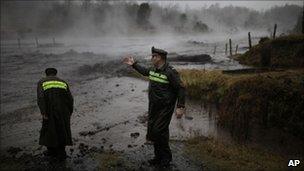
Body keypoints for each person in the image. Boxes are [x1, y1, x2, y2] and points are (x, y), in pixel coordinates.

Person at [123, 47, 186, 167]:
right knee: (155, 132)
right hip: (153, 106)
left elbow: (181, 88)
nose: (152, 58)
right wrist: (134, 64)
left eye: (154, 56)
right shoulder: (153, 69)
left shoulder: (170, 71)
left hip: (165, 108)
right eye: (152, 56)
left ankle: (166, 159)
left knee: (158, 131)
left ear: (160, 58)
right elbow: (145, 71)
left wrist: (180, 107)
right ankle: (158, 158)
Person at [37, 68, 74, 160]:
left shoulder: (42, 82)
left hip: (50, 110)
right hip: (64, 111)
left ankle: (51, 151)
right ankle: (62, 152)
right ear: (56, 74)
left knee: (49, 130)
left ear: (46, 74)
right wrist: (70, 111)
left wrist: (43, 112)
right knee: (62, 130)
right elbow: (70, 98)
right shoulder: (63, 82)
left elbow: (41, 98)